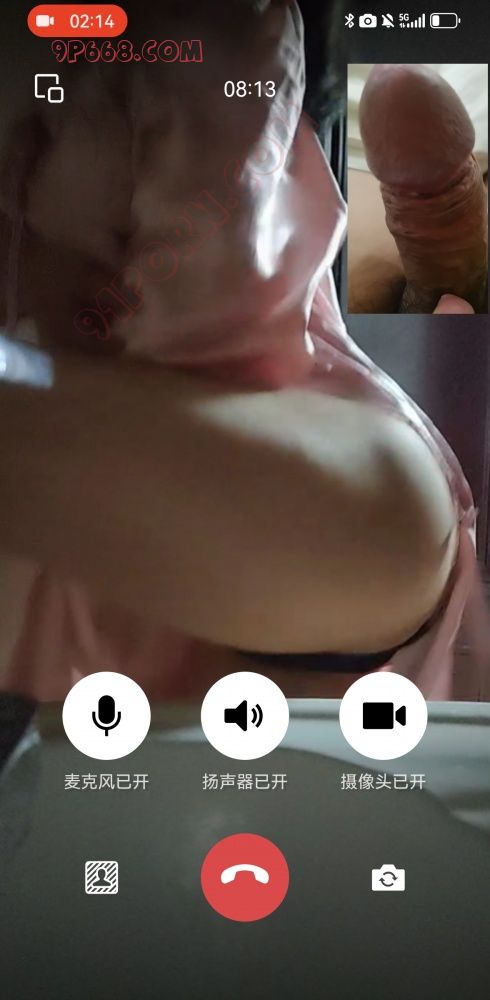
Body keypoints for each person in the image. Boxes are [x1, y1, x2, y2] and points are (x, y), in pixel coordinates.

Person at [0, 0, 488, 703]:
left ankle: (442, 265)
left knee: (383, 524)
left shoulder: (375, 504)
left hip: (324, 478)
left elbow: (376, 529)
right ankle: (441, 254)